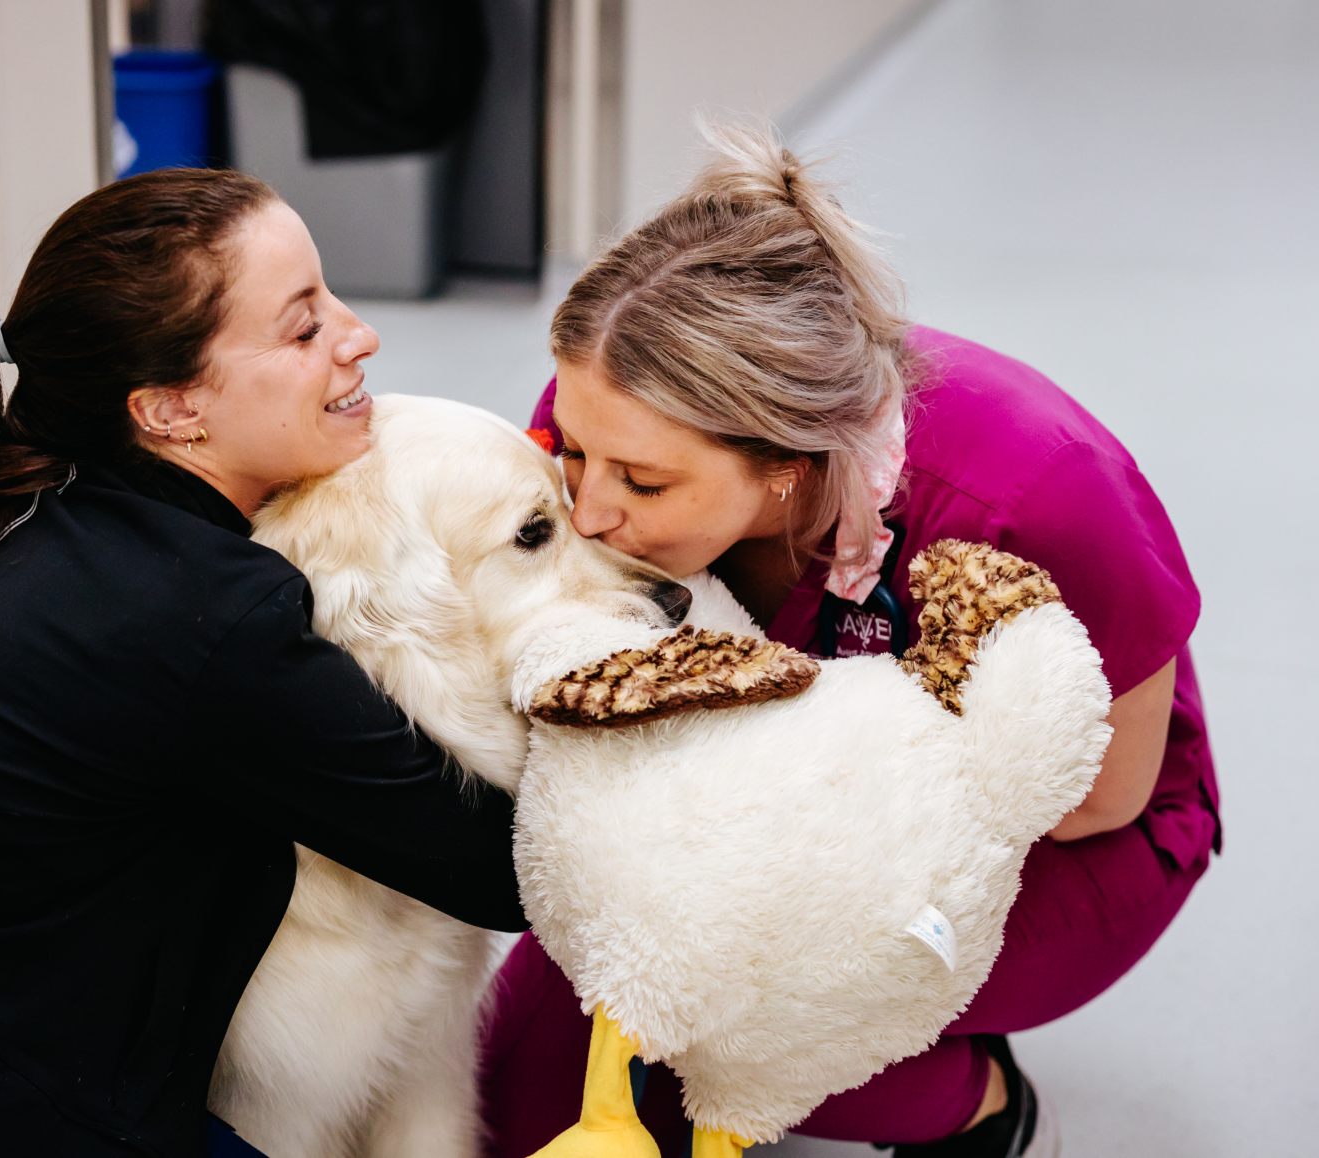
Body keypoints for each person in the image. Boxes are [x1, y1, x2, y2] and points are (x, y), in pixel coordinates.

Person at [0, 167, 526, 1157]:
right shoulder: (200, 612)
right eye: (301, 327)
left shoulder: (2, 498)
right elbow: (496, 868)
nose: (358, 333)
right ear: (167, 410)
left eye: (329, 296)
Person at [481, 127, 1219, 1158]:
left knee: (748, 1027)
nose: (589, 511)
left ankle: (982, 1108)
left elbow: (1103, 797)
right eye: (572, 450)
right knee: (508, 1105)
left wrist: (778, 888)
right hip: (756, 800)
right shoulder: (609, 427)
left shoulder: (1037, 489)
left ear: (787, 465)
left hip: (1061, 840)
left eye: (643, 484)